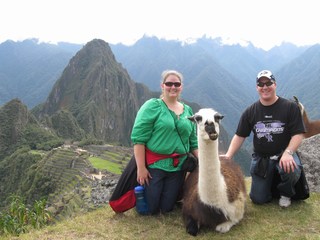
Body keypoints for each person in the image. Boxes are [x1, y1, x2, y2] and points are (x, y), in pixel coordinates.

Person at [221, 70, 306, 208]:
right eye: (261, 84)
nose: (265, 87)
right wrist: (229, 155)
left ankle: (285, 193)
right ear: (257, 87)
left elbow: (298, 134)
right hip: (262, 159)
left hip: (283, 154)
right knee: (258, 199)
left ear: (275, 84)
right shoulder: (251, 111)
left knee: (291, 168)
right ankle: (271, 187)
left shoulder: (290, 107)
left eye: (268, 83)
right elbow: (240, 135)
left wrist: (288, 152)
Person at [130, 69, 198, 215]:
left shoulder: (188, 111)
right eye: (169, 83)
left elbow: (193, 142)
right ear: (162, 86)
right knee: (151, 209)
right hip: (155, 166)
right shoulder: (152, 106)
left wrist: (206, 161)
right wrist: (141, 168)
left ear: (181, 87)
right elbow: (139, 139)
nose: (173, 87)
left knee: (167, 208)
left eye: (176, 84)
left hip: (178, 168)